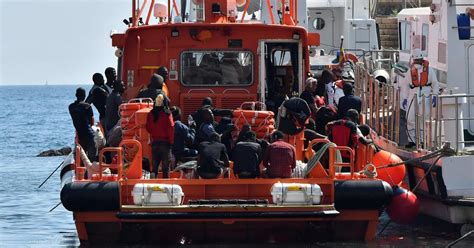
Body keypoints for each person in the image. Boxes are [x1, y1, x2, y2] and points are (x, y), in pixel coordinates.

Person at [405, 48, 439, 148]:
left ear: (422, 59)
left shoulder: (430, 70)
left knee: (424, 118)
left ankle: (423, 140)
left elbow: (435, 84)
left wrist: (435, 96)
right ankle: (412, 140)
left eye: (418, 60)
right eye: (416, 60)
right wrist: (404, 99)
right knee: (409, 118)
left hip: (426, 95)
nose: (417, 62)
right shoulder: (410, 71)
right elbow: (406, 86)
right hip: (413, 95)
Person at [146, 94, 174, 178]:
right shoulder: (167, 114)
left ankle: (153, 186)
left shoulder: (151, 114)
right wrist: (171, 141)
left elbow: (148, 128)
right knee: (166, 168)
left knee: (154, 168)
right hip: (165, 144)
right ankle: (166, 187)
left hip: (155, 143)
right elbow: (171, 128)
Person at [69, 88, 97, 161]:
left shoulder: (71, 107)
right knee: (92, 158)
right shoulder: (87, 106)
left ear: (76, 95)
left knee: (81, 158)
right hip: (89, 135)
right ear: (84, 96)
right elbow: (91, 121)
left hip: (80, 135)